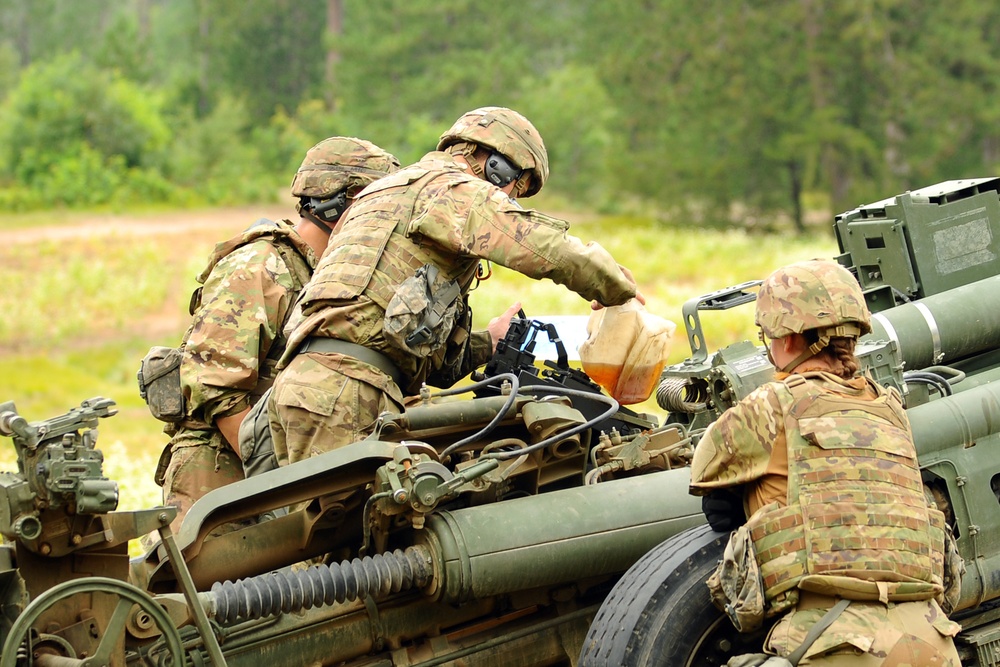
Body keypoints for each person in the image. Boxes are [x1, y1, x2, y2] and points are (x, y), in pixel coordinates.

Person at [266, 106, 640, 467]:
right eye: (517, 186)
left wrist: (489, 342)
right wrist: (618, 289)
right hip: (347, 394)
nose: (511, 198)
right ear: (496, 165)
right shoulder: (452, 190)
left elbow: (425, 359)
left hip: (304, 389)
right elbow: (545, 248)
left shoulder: (379, 193)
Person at [689, 259, 962, 666]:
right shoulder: (891, 411)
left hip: (835, 641)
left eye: (767, 334)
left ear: (789, 339)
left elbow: (708, 480)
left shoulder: (770, 406)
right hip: (933, 638)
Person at [153, 137, 400, 534]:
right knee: (210, 595)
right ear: (345, 202)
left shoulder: (330, 275)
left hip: (276, 480)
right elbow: (216, 388)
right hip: (223, 481)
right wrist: (282, 487)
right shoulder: (263, 264)